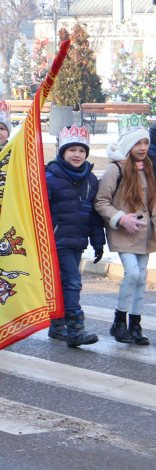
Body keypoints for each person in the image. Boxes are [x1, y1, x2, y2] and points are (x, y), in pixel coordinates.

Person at [94, 114, 154, 346]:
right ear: (128, 144)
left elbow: (152, 201)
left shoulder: (147, 167)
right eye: (138, 143)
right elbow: (101, 201)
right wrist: (120, 218)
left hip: (145, 232)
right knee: (133, 273)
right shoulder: (114, 169)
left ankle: (135, 324)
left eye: (146, 142)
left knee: (142, 277)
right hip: (123, 231)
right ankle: (119, 321)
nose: (142, 148)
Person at [45, 125, 105, 347]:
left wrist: (98, 242)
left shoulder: (90, 180)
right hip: (56, 241)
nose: (77, 155)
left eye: (81, 150)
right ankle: (75, 329)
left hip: (78, 241)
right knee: (72, 282)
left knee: (63, 283)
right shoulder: (50, 177)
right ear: (62, 152)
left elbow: (94, 215)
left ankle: (57, 325)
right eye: (72, 150)